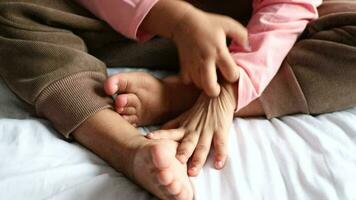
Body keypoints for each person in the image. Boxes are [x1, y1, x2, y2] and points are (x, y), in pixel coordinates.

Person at [1, 1, 356, 200]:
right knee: (12, 7)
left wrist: (224, 94)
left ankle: (181, 93)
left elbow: (289, 8)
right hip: (129, 17)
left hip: (246, 22)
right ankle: (127, 149)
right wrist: (175, 18)